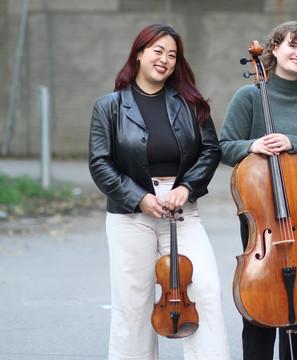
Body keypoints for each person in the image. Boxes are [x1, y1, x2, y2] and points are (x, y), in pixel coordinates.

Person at [88, 24, 230, 360]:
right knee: (132, 304)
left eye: (172, 55)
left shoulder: (191, 104)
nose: (164, 59)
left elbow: (211, 150)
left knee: (205, 291)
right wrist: (138, 196)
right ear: (138, 53)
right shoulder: (109, 107)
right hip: (130, 213)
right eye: (157, 51)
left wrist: (187, 187)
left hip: (182, 208)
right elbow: (99, 162)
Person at [218, 21, 297, 360]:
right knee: (261, 291)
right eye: (292, 45)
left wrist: (292, 141)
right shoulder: (249, 96)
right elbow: (225, 146)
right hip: (262, 207)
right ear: (273, 49)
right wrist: (253, 145)